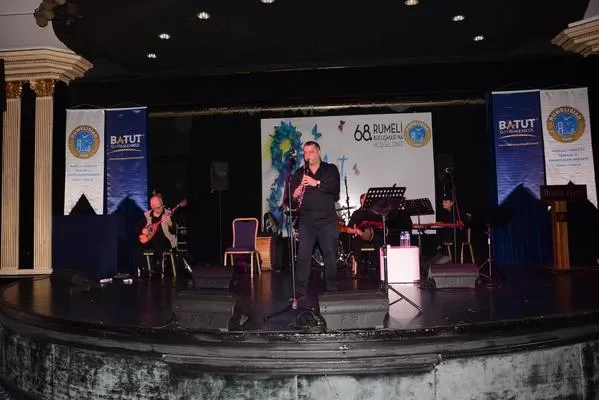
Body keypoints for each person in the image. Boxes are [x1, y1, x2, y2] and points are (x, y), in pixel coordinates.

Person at [290, 141, 341, 298]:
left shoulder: (330, 169)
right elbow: (291, 201)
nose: (308, 155)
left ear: (319, 152)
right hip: (307, 221)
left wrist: (316, 183)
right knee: (303, 256)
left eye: (311, 151)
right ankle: (300, 290)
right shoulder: (299, 173)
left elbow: (335, 190)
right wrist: (295, 195)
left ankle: (331, 288)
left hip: (327, 220)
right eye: (305, 152)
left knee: (330, 254)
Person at [136, 195, 177, 275]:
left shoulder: (168, 214)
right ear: (152, 206)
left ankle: (157, 267)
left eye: (161, 206)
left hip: (166, 241)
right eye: (157, 207)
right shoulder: (147, 215)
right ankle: (140, 269)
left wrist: (170, 224)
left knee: (158, 238)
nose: (160, 209)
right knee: (137, 243)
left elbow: (173, 232)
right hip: (151, 241)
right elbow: (137, 228)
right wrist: (143, 230)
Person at [347, 193, 384, 276]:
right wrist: (357, 231)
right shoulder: (357, 213)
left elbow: (381, 225)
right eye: (366, 198)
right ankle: (361, 266)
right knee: (356, 242)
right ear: (361, 200)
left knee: (380, 240)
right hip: (360, 236)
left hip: (373, 237)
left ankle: (380, 266)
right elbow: (348, 230)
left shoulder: (375, 213)